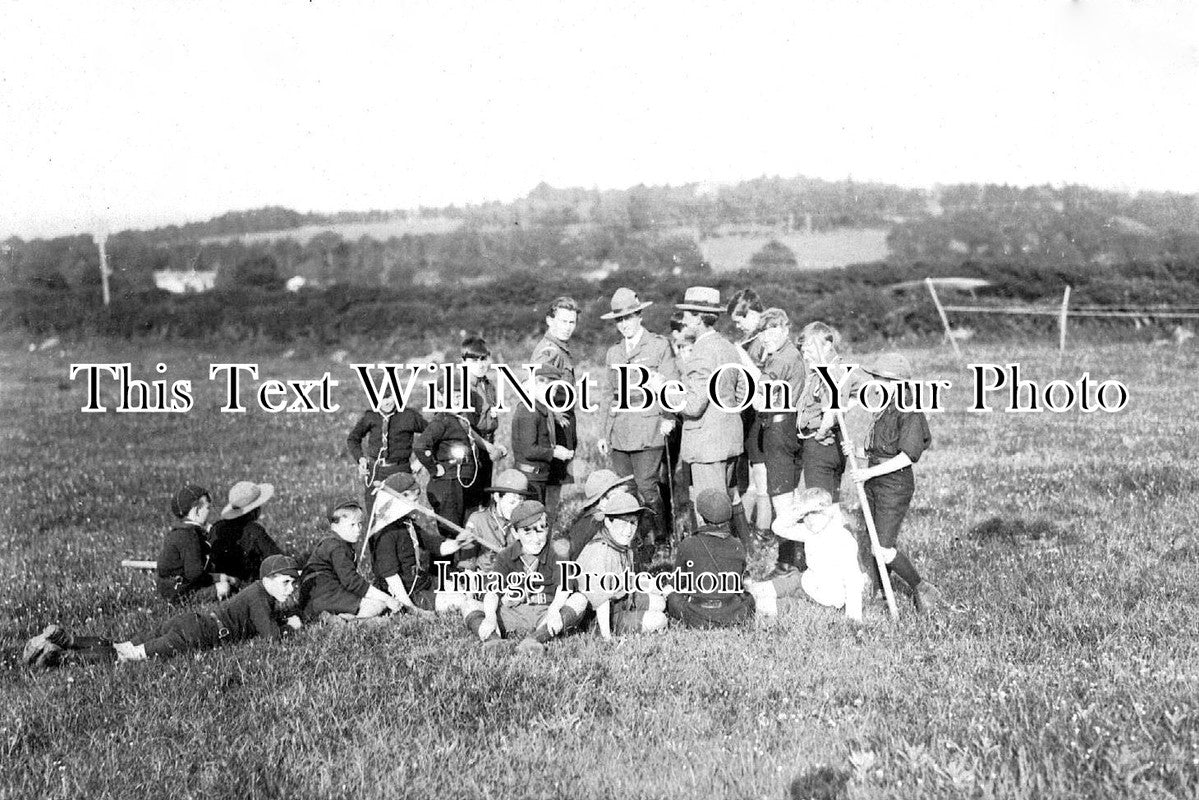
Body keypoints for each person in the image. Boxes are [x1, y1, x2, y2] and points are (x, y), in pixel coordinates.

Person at [24, 555, 304, 668]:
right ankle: (63, 658)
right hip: (197, 634)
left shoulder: (256, 592)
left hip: (190, 621)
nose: (290, 589)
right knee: (127, 656)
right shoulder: (260, 598)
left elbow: (260, 621)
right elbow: (272, 637)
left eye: (293, 583)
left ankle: (70, 640)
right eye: (285, 582)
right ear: (267, 579)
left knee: (123, 645)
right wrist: (291, 627)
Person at [850, 354, 943, 613]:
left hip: (894, 484)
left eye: (879, 379)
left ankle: (922, 587)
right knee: (873, 538)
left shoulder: (909, 410)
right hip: (875, 479)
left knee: (882, 548)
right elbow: (881, 449)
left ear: (895, 382)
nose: (874, 384)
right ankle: (882, 592)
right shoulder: (885, 407)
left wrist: (869, 473)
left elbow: (906, 456)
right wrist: (857, 452)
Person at [596, 287, 679, 561]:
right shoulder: (614, 353)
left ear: (639, 315)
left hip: (649, 429)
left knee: (647, 488)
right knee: (627, 490)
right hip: (621, 432)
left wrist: (668, 416)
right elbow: (608, 394)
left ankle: (662, 538)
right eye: (619, 320)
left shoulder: (658, 345)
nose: (624, 324)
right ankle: (639, 541)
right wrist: (603, 432)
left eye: (628, 318)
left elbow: (672, 384)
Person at [673, 286, 752, 550]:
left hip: (706, 445)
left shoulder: (702, 352)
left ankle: (719, 564)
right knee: (725, 502)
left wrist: (664, 392)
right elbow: (741, 393)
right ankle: (741, 555)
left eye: (687, 314)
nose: (683, 320)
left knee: (711, 513)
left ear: (698, 318)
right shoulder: (728, 347)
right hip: (728, 441)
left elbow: (693, 406)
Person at [462, 500, 588, 653]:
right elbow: (492, 592)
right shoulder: (506, 555)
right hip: (513, 613)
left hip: (545, 613)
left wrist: (554, 610)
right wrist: (490, 618)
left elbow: (564, 587)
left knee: (579, 600)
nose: (536, 538)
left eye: (540, 530)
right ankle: (494, 641)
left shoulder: (557, 551)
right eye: (527, 532)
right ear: (515, 533)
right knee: (469, 604)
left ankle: (534, 640)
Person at [739, 309, 808, 579]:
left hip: (779, 429)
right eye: (763, 331)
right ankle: (793, 560)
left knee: (782, 500)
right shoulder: (788, 354)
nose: (766, 337)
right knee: (786, 496)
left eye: (772, 330)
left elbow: (760, 397)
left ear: (786, 330)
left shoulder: (781, 359)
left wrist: (745, 362)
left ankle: (788, 564)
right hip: (786, 428)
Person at [748, 488, 866, 622]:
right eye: (806, 515)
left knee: (763, 607)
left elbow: (853, 580)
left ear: (829, 512)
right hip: (805, 582)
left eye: (814, 513)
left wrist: (853, 618)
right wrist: (799, 511)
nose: (809, 520)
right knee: (758, 590)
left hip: (822, 601)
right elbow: (778, 528)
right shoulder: (810, 531)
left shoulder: (842, 539)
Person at [365, 473, 471, 615]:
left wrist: (459, 542)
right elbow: (391, 577)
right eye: (414, 499)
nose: (418, 504)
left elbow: (437, 546)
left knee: (463, 588)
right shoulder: (386, 534)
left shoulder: (407, 523)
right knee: (460, 600)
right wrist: (411, 608)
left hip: (422, 581)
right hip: (409, 592)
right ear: (402, 497)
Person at [572, 493, 670, 639]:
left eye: (633, 523)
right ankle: (612, 628)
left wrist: (658, 587)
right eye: (623, 523)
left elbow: (628, 580)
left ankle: (632, 614)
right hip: (599, 615)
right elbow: (601, 601)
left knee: (660, 603)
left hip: (620, 600)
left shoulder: (621, 545)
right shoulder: (600, 551)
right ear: (608, 522)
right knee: (659, 620)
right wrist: (607, 638)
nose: (628, 530)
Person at [661, 489, 757, 629]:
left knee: (669, 592)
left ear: (701, 517)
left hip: (696, 615)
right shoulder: (737, 545)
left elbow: (676, 583)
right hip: (731, 614)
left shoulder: (688, 544)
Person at [300, 499, 401, 620]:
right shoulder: (336, 547)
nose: (358, 529)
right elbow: (352, 582)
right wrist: (386, 598)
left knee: (376, 603)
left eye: (360, 524)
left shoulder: (335, 542)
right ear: (335, 525)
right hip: (322, 595)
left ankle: (337, 616)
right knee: (378, 605)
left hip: (318, 594)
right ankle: (343, 618)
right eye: (352, 525)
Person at [531, 296, 580, 525]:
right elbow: (535, 386)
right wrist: (554, 414)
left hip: (560, 423)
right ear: (550, 320)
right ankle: (544, 534)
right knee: (549, 492)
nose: (568, 327)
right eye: (563, 321)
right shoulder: (550, 351)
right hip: (553, 427)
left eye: (572, 322)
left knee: (553, 489)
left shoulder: (561, 349)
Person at [413, 375, 479, 543]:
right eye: (452, 396)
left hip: (460, 482)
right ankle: (444, 560)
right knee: (451, 533)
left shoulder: (459, 419)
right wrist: (434, 468)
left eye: (460, 396)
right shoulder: (441, 421)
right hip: (448, 484)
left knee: (464, 530)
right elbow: (420, 446)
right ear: (440, 397)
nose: (457, 400)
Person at [728, 289, 771, 540]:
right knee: (754, 476)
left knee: (760, 474)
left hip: (761, 413)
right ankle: (747, 530)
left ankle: (761, 532)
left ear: (753, 312)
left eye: (740, 319)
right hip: (749, 413)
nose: (738, 326)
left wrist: (742, 357)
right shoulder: (750, 339)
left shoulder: (763, 341)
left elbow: (762, 377)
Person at [346, 390, 427, 517]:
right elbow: (353, 439)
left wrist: (421, 461)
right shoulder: (371, 416)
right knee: (375, 516)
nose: (385, 402)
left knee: (401, 515)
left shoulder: (409, 416)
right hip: (376, 473)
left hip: (400, 472)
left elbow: (433, 436)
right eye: (380, 398)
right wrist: (361, 459)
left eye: (389, 397)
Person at [157, 484, 236, 603]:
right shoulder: (190, 536)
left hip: (170, 588)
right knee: (224, 587)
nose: (209, 512)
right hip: (181, 593)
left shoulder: (178, 531)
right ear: (197, 511)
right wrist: (219, 578)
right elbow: (195, 573)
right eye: (207, 508)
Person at [459, 335, 508, 516]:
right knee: (470, 499)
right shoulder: (462, 388)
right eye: (474, 360)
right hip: (471, 447)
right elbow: (465, 426)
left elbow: (491, 419)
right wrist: (488, 447)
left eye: (484, 359)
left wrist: (495, 445)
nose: (480, 364)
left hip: (487, 445)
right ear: (463, 362)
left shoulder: (488, 385)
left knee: (484, 495)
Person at [510, 369, 572, 504]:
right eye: (551, 388)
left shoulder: (540, 409)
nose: (553, 394)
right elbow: (529, 450)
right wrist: (555, 453)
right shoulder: (528, 412)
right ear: (537, 383)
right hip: (529, 479)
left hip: (538, 477)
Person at [208, 480, 283, 584]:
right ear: (254, 510)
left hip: (221, 580)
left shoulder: (216, 527)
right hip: (248, 582)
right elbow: (277, 559)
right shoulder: (254, 531)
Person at [460, 468, 534, 572]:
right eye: (512, 502)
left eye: (520, 504)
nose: (516, 509)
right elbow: (466, 562)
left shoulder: (527, 522)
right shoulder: (479, 520)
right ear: (497, 497)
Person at [555, 468, 635, 561]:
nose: (623, 501)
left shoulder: (602, 517)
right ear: (601, 501)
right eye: (616, 497)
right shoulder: (594, 523)